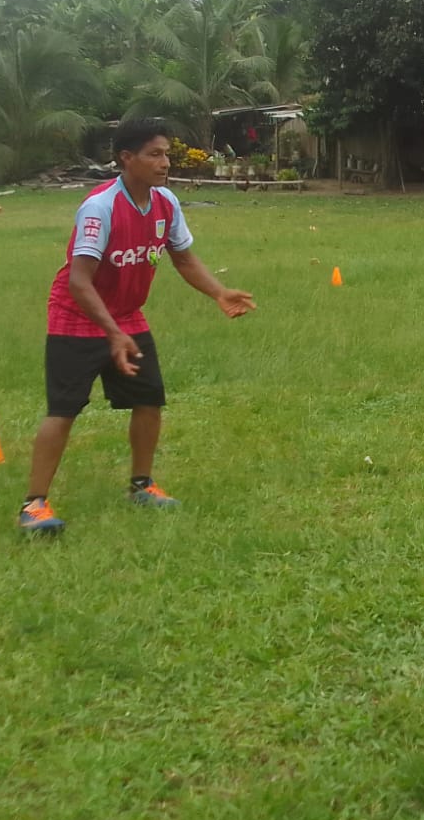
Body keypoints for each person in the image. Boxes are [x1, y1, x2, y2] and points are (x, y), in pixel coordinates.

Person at [21, 119, 256, 534]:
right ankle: (34, 505)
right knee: (64, 409)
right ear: (126, 158)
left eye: (166, 154)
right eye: (155, 154)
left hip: (128, 317)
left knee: (149, 399)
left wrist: (218, 293)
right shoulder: (100, 207)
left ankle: (141, 486)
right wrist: (112, 333)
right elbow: (79, 281)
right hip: (76, 317)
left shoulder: (165, 202)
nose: (165, 163)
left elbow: (183, 258)